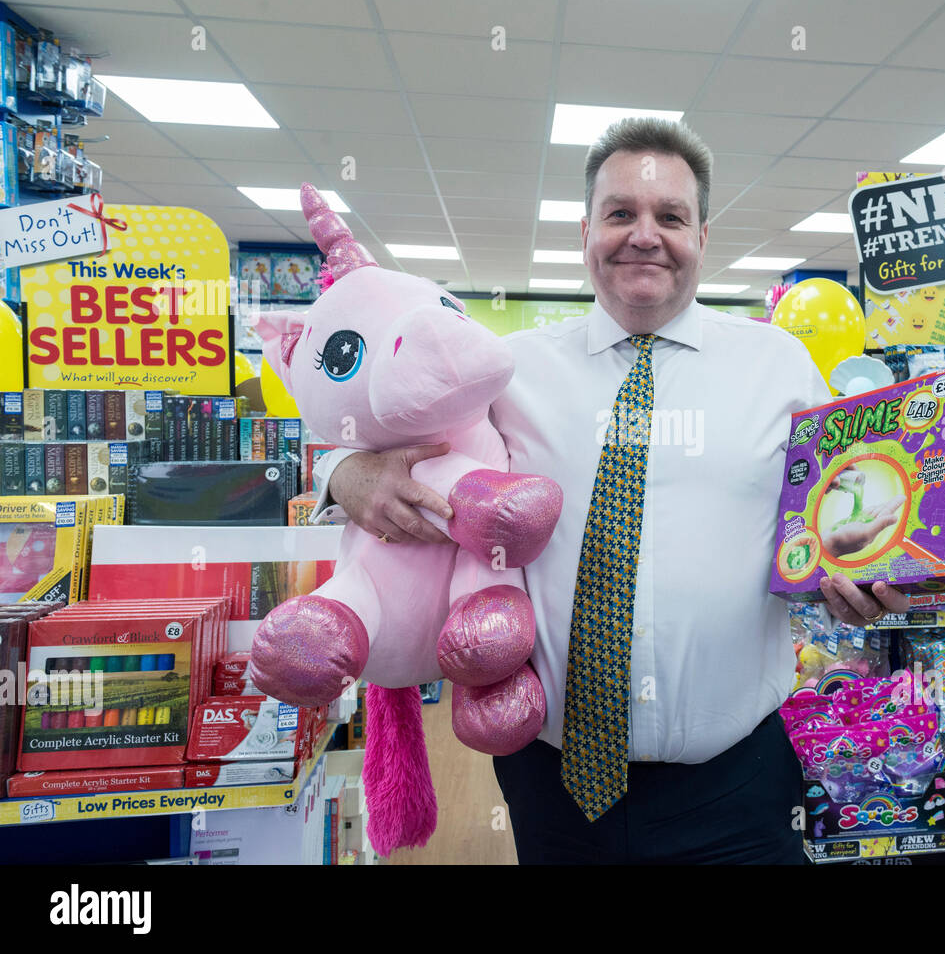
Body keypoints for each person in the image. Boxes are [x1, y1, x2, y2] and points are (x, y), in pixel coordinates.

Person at [312, 117, 909, 864]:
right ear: (586, 228)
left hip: (741, 788)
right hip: (556, 784)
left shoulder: (779, 367)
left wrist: (859, 577)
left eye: (671, 216)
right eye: (621, 212)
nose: (645, 235)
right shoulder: (506, 369)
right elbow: (369, 424)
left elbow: (842, 513)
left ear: (702, 234)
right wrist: (342, 472)